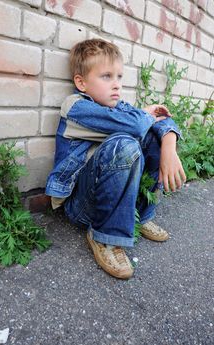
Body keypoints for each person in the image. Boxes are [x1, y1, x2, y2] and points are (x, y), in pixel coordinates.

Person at [45, 39, 186, 279]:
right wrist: (145, 115)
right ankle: (103, 236)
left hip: (110, 196)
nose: (117, 85)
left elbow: (160, 119)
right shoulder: (76, 107)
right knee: (125, 143)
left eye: (119, 77)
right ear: (81, 82)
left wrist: (169, 147)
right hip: (82, 206)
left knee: (152, 138)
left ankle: (142, 216)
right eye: (106, 76)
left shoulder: (117, 106)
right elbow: (138, 123)